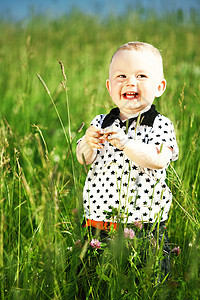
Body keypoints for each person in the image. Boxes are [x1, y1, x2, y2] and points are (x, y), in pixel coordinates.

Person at [76, 41, 179, 277]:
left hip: (143, 227)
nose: (130, 82)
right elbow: (83, 158)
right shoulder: (101, 121)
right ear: (110, 86)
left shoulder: (160, 125)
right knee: (92, 280)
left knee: (146, 278)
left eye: (141, 75)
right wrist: (87, 143)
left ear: (159, 87)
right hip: (98, 223)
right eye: (121, 76)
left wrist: (126, 144)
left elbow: (159, 159)